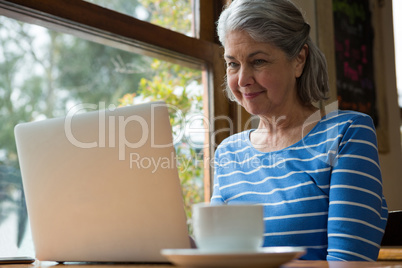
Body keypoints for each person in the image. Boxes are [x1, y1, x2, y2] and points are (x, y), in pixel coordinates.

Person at [211, 0, 388, 261]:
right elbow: (217, 254)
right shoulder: (228, 152)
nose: (242, 79)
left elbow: (349, 265)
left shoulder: (347, 133)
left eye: (258, 61)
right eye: (233, 64)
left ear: (299, 60)